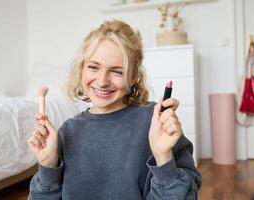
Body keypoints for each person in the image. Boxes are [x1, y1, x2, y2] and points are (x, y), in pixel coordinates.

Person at [27, 20, 201, 200]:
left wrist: (163, 157)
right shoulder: (67, 132)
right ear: (81, 69)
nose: (102, 81)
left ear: (133, 76)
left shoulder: (157, 123)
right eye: (93, 67)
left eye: (117, 71)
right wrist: (48, 165)